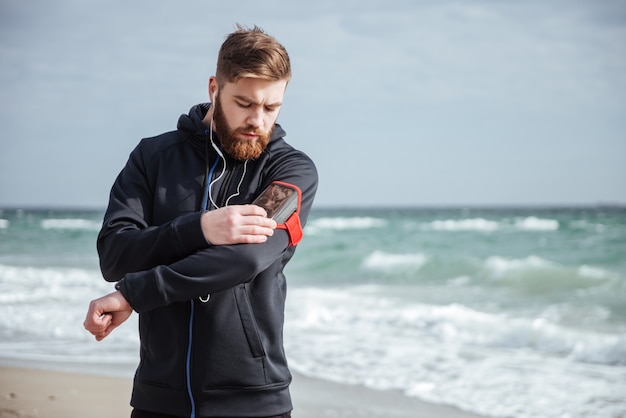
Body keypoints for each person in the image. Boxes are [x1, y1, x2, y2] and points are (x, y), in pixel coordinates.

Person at [83, 25, 318, 418]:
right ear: (214, 88)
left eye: (271, 107)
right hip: (158, 398)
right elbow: (115, 256)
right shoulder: (152, 158)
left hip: (253, 401)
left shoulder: (290, 172)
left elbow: (245, 260)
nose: (257, 120)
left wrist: (132, 294)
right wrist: (201, 227)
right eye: (244, 103)